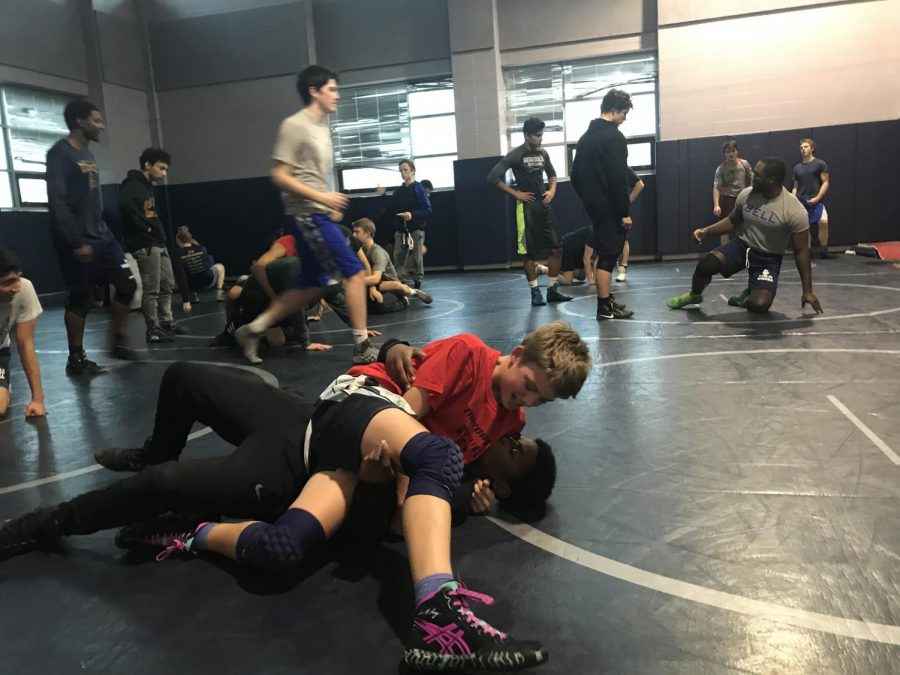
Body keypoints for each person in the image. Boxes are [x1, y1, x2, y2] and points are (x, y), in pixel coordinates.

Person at [233, 65, 378, 366]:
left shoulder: (322, 129)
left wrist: (327, 204)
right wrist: (321, 198)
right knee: (353, 272)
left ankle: (252, 329)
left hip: (317, 213)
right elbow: (279, 175)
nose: (337, 95)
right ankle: (362, 345)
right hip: (305, 216)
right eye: (332, 89)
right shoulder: (294, 125)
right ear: (314, 91)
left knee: (311, 284)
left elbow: (309, 177)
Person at [47, 100, 138, 374]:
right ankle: (76, 358)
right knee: (82, 299)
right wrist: (76, 242)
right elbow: (58, 202)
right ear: (79, 121)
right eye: (96, 120)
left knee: (127, 285)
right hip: (78, 240)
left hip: (102, 237)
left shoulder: (88, 153)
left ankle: (116, 341)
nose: (102, 126)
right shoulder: (59, 154)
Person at [666, 157, 824, 315]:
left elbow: (801, 252)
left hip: (768, 259)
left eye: (757, 175)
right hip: (741, 247)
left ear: (771, 180)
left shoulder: (794, 210)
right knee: (705, 266)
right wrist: (706, 231)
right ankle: (694, 295)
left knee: (759, 306)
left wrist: (808, 291)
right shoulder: (747, 194)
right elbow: (732, 220)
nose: (752, 178)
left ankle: (747, 297)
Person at [487, 117, 573, 307]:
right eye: (537, 135)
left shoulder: (543, 153)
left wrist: (552, 190)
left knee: (557, 248)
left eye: (542, 135)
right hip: (525, 208)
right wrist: (516, 193)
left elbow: (552, 175)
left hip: (543, 206)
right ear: (527, 135)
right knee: (529, 253)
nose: (540, 139)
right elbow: (492, 177)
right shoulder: (515, 155)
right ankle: (535, 292)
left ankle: (552, 290)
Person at [570, 89, 635, 320]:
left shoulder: (585, 138)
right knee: (608, 256)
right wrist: (624, 212)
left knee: (605, 252)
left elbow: (574, 175)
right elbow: (618, 179)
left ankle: (607, 302)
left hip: (595, 208)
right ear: (614, 110)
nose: (625, 118)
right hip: (611, 209)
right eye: (624, 113)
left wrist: (589, 197)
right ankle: (604, 307)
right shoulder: (615, 137)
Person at [119, 147, 189, 343]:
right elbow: (125, 207)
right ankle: (153, 328)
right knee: (152, 287)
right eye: (161, 168)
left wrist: (159, 233)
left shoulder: (147, 186)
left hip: (158, 241)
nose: (164, 173)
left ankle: (167, 321)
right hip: (145, 242)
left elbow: (149, 213)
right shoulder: (133, 185)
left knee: (167, 283)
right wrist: (145, 230)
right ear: (148, 165)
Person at [214, 257, 332, 357]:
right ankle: (229, 332)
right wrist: (273, 297)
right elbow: (256, 267)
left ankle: (250, 331)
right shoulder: (285, 249)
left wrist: (318, 313)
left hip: (283, 299)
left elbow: (323, 292)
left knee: (278, 341)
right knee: (233, 294)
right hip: (263, 289)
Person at [351, 218, 433, 313]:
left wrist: (352, 282)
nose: (354, 235)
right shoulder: (361, 251)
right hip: (375, 282)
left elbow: (376, 279)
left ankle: (410, 294)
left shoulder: (378, 252)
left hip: (387, 283)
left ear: (367, 234)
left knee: (383, 302)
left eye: (357, 232)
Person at [0, 248, 45, 418]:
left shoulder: (24, 288)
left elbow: (26, 343)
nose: (16, 287)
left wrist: (38, 399)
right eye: (7, 282)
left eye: (17, 278)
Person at [375, 159, 431, 289]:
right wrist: (383, 195)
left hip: (416, 228)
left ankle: (418, 280)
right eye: (401, 170)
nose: (403, 173)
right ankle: (399, 279)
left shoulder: (419, 189)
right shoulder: (400, 191)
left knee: (417, 255)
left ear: (412, 171)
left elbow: (427, 209)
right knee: (399, 255)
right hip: (401, 229)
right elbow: (390, 207)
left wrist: (412, 214)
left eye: (405, 170)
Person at [792, 138, 834, 259]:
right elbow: (795, 186)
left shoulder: (820, 164)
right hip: (801, 201)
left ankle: (824, 250)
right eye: (801, 148)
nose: (803, 150)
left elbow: (826, 182)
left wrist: (818, 198)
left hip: (816, 199)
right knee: (805, 227)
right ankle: (808, 251)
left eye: (805, 147)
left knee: (824, 222)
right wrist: (793, 200)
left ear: (812, 148)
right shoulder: (797, 168)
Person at [712, 139, 753, 247]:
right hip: (727, 199)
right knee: (725, 229)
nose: (731, 154)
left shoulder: (744, 164)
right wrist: (716, 205)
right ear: (725, 153)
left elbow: (752, 179)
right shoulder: (721, 168)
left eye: (733, 151)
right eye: (728, 151)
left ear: (737, 151)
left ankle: (746, 252)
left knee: (744, 227)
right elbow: (716, 187)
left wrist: (750, 195)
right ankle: (725, 253)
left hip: (743, 199)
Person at [174, 226, 226, 301]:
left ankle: (191, 296)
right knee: (220, 267)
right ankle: (219, 293)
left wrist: (185, 300)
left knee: (181, 273)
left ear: (178, 241)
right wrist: (186, 235)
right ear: (190, 240)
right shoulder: (202, 248)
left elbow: (181, 277)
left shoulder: (177, 254)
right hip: (208, 282)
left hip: (190, 284)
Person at [616, 167, 645, 282]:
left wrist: (627, 201)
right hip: (607, 208)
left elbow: (640, 184)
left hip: (620, 209)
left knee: (623, 239)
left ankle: (622, 268)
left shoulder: (623, 167)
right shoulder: (602, 167)